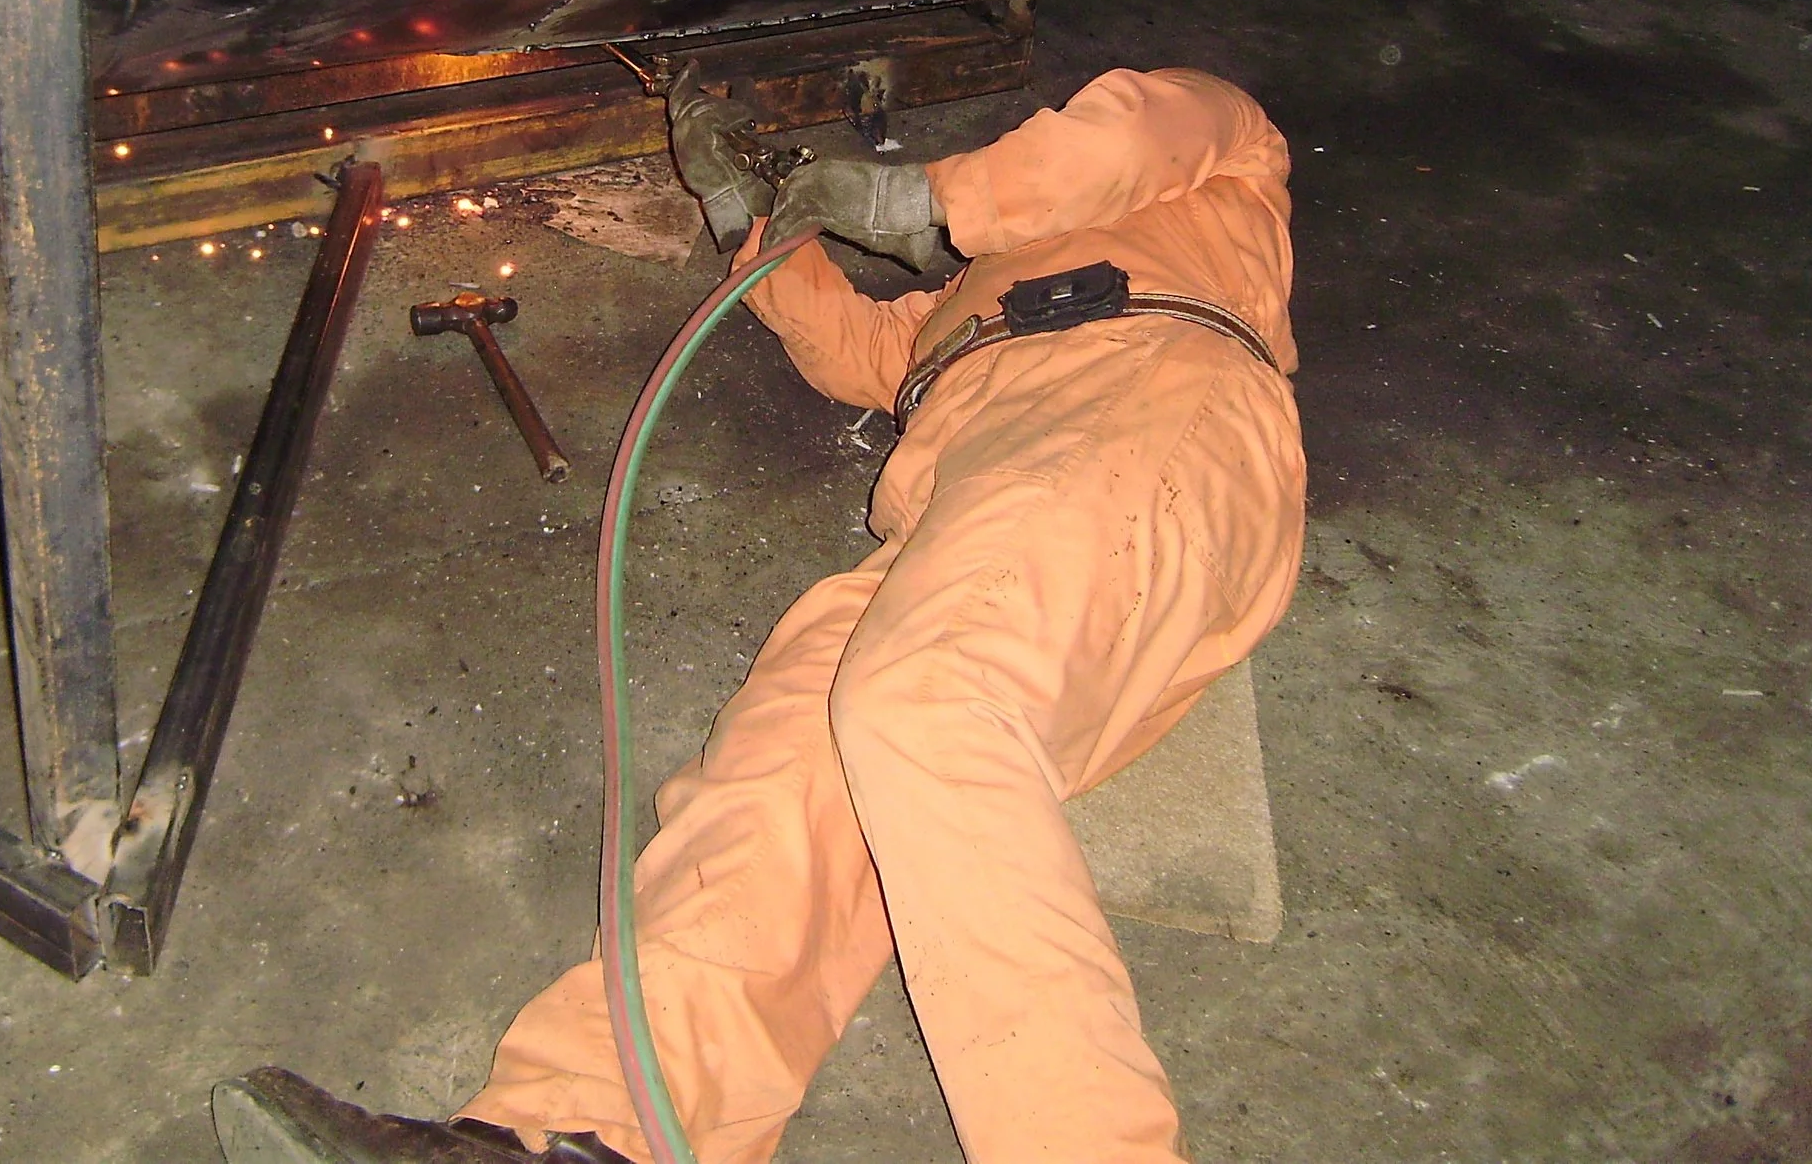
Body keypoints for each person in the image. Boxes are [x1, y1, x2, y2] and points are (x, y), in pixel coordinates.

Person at [214, 63, 1306, 1164]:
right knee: (775, 779)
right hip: (977, 506)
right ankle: (582, 1129)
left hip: (1148, 416)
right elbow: (865, 355)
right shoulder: (968, 307)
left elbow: (1119, 139)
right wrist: (751, 218)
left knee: (930, 703)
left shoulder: (1224, 162)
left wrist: (922, 195)